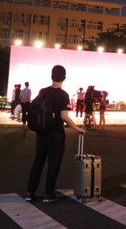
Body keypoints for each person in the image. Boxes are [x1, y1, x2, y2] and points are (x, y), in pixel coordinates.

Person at [25, 65, 85, 202]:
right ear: (64, 78)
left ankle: (30, 192)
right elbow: (64, 116)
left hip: (41, 133)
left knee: (38, 162)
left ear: (51, 76)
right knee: (53, 164)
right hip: (56, 135)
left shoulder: (43, 91)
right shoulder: (63, 95)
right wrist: (78, 129)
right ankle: (48, 194)